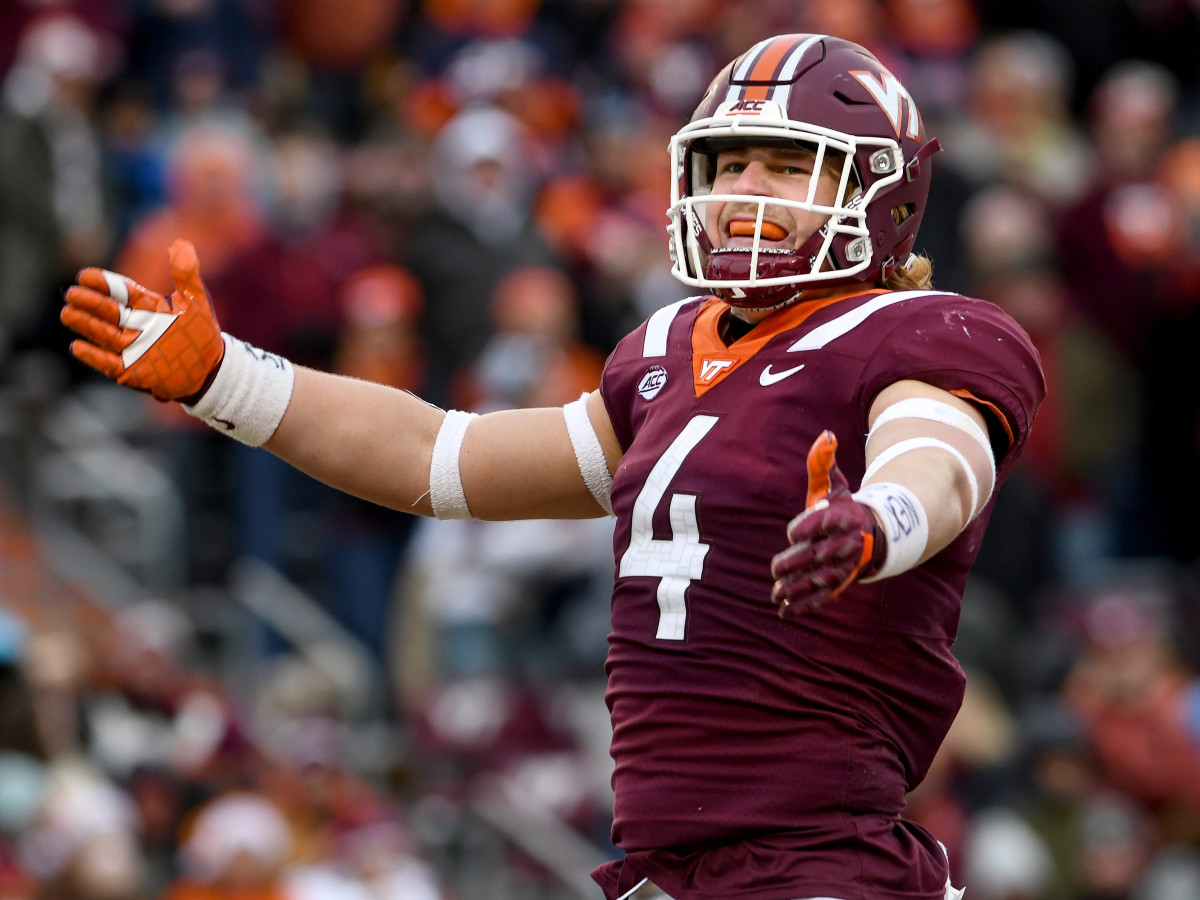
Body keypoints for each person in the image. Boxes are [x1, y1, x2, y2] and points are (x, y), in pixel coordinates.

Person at [59, 33, 1045, 900]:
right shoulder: (666, 352)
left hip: (818, 862)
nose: (745, 190)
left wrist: (880, 522)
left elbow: (941, 458)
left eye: (786, 166)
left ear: (885, 188)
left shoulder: (919, 333)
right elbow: (441, 456)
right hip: (674, 865)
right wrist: (226, 378)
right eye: (730, 161)